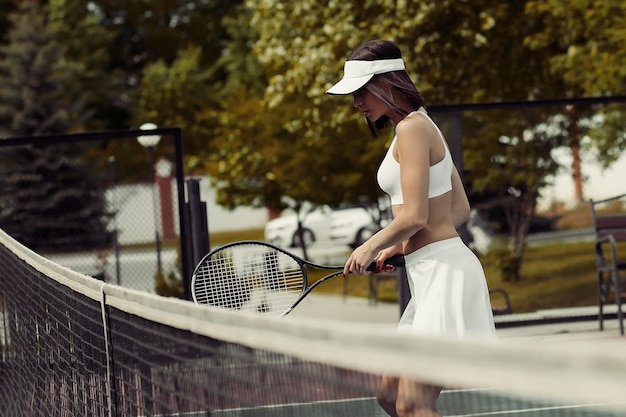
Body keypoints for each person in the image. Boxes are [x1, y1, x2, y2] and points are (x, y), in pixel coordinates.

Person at [327, 39, 496, 417]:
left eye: (360, 91)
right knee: (389, 397)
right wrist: (401, 248)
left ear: (386, 82)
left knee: (412, 404)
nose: (356, 103)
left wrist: (370, 246)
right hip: (431, 271)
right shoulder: (419, 124)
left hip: (446, 273)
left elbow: (416, 215)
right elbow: (459, 208)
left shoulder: (412, 129)